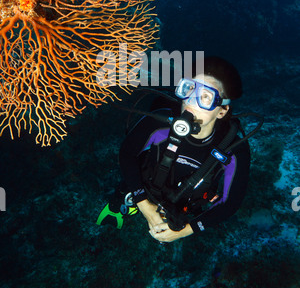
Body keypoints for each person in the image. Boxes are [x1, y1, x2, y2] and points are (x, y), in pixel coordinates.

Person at [97, 56, 252, 243]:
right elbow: (127, 154)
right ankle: (128, 202)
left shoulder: (234, 149)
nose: (191, 102)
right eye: (189, 89)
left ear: (221, 111)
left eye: (205, 97)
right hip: (144, 191)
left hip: (184, 210)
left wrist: (186, 230)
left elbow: (230, 203)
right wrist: (144, 206)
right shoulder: (158, 122)